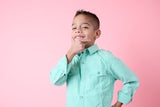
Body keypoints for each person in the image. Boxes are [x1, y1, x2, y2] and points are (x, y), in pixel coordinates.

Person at [50, 10, 139, 107]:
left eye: (84, 27)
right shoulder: (70, 60)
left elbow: (131, 80)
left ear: (97, 34)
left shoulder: (106, 58)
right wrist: (71, 52)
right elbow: (56, 80)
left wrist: (119, 103)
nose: (78, 30)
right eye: (74, 28)